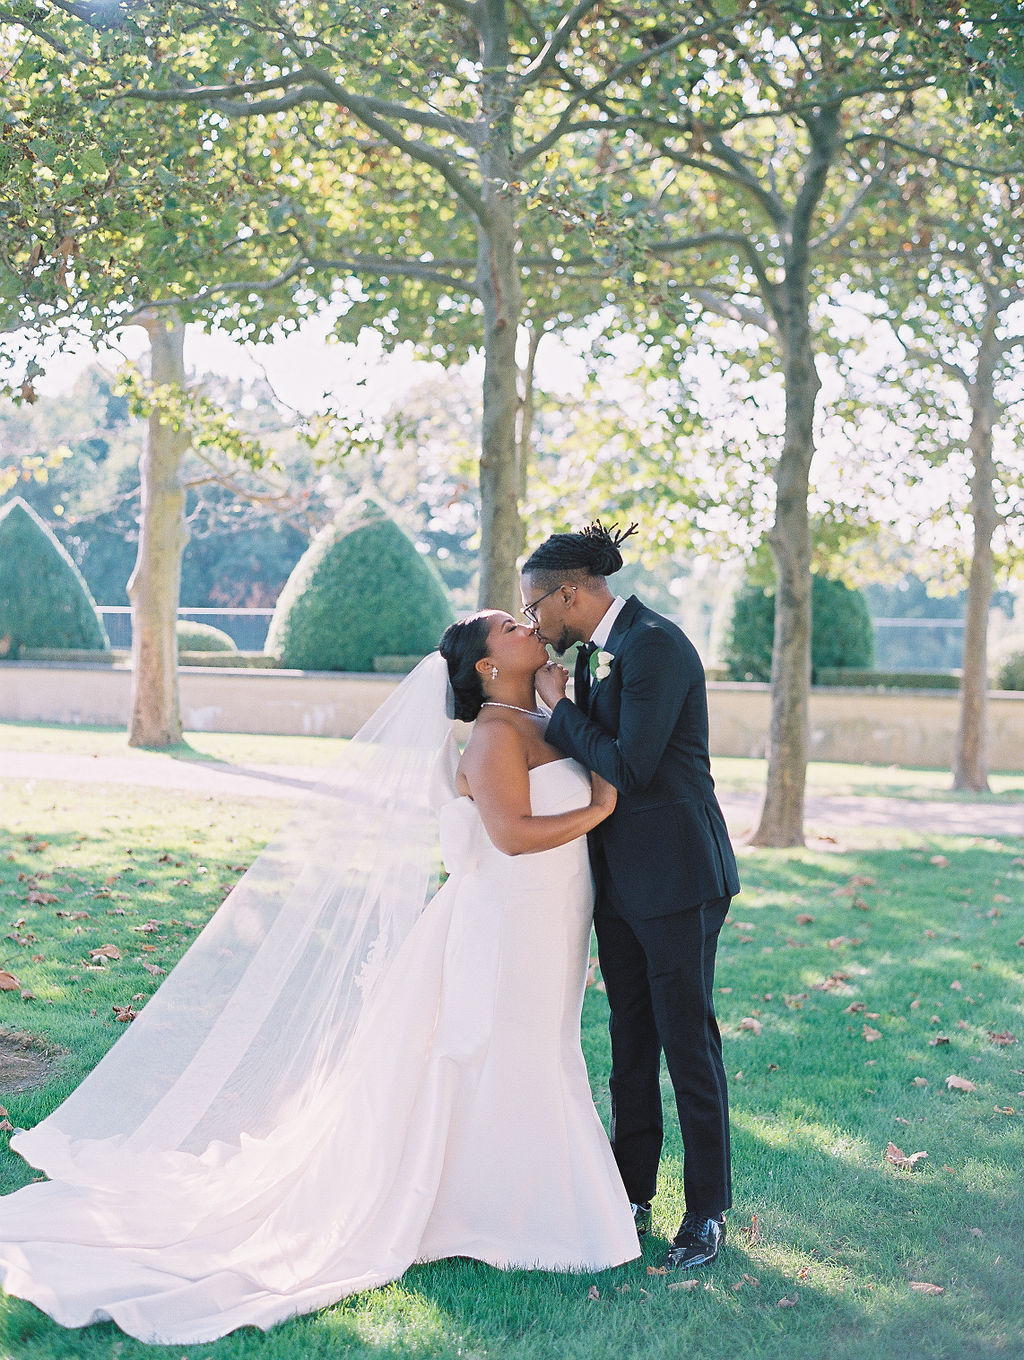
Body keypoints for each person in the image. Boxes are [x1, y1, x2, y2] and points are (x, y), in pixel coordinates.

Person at [0, 613, 639, 1345]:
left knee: (534, 1043)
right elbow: (511, 835)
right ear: (487, 666)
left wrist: (563, 708)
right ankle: (498, 1212)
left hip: (549, 918)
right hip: (508, 923)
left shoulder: (537, 713)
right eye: (506, 626)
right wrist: (598, 808)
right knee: (505, 1044)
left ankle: (512, 1201)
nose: (524, 624)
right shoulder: (495, 734)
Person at [524, 521, 740, 1270]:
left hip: (679, 877)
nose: (532, 620)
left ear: (573, 592)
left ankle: (708, 1212)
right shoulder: (591, 656)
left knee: (687, 1042)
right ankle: (632, 1193)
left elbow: (633, 766)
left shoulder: (656, 646)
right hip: (617, 881)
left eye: (536, 605)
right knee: (629, 1045)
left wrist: (559, 712)